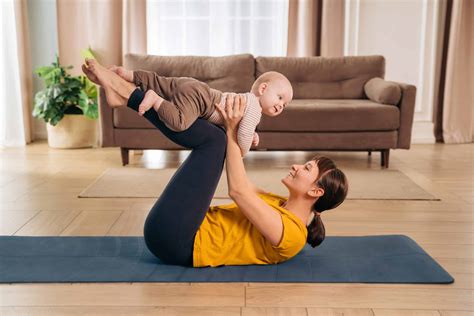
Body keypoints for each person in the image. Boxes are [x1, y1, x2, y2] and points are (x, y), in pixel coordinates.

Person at [81, 59, 348, 267]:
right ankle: (127, 92)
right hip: (181, 227)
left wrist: (234, 131)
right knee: (214, 137)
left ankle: (127, 91)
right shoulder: (279, 204)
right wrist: (233, 128)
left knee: (217, 141)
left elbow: (239, 190)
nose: (297, 166)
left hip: (178, 242)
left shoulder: (292, 235)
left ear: (316, 191)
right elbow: (242, 181)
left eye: (307, 169)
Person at [82, 58, 293, 156]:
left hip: (195, 87)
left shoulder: (247, 102)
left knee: (161, 82)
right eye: (280, 97)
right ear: (263, 88)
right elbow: (243, 135)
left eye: (285, 103)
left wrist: (252, 134)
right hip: (202, 101)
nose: (281, 105)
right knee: (179, 122)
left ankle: (126, 75)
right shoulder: (254, 108)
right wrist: (245, 149)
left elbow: (243, 127)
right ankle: (154, 99)